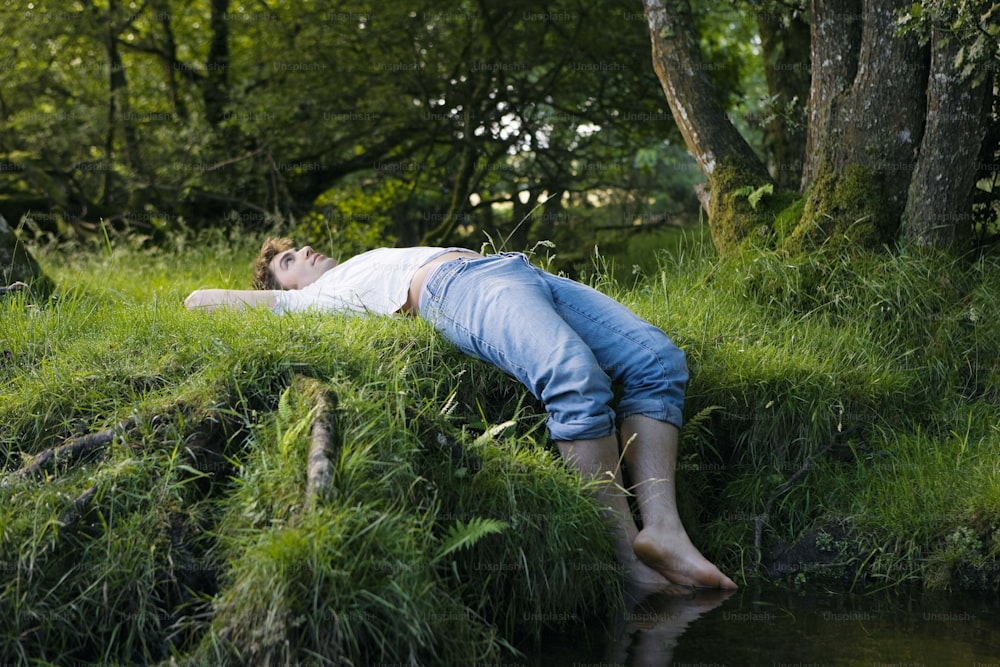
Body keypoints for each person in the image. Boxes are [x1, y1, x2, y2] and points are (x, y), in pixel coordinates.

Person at [185, 239, 736, 591]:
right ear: (285, 289)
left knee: (657, 361)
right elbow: (198, 302)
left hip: (512, 267)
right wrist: (268, 300)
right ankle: (624, 558)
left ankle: (663, 528)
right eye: (287, 262)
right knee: (573, 376)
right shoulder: (313, 300)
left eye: (296, 248)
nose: (303, 250)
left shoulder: (355, 265)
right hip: (459, 287)